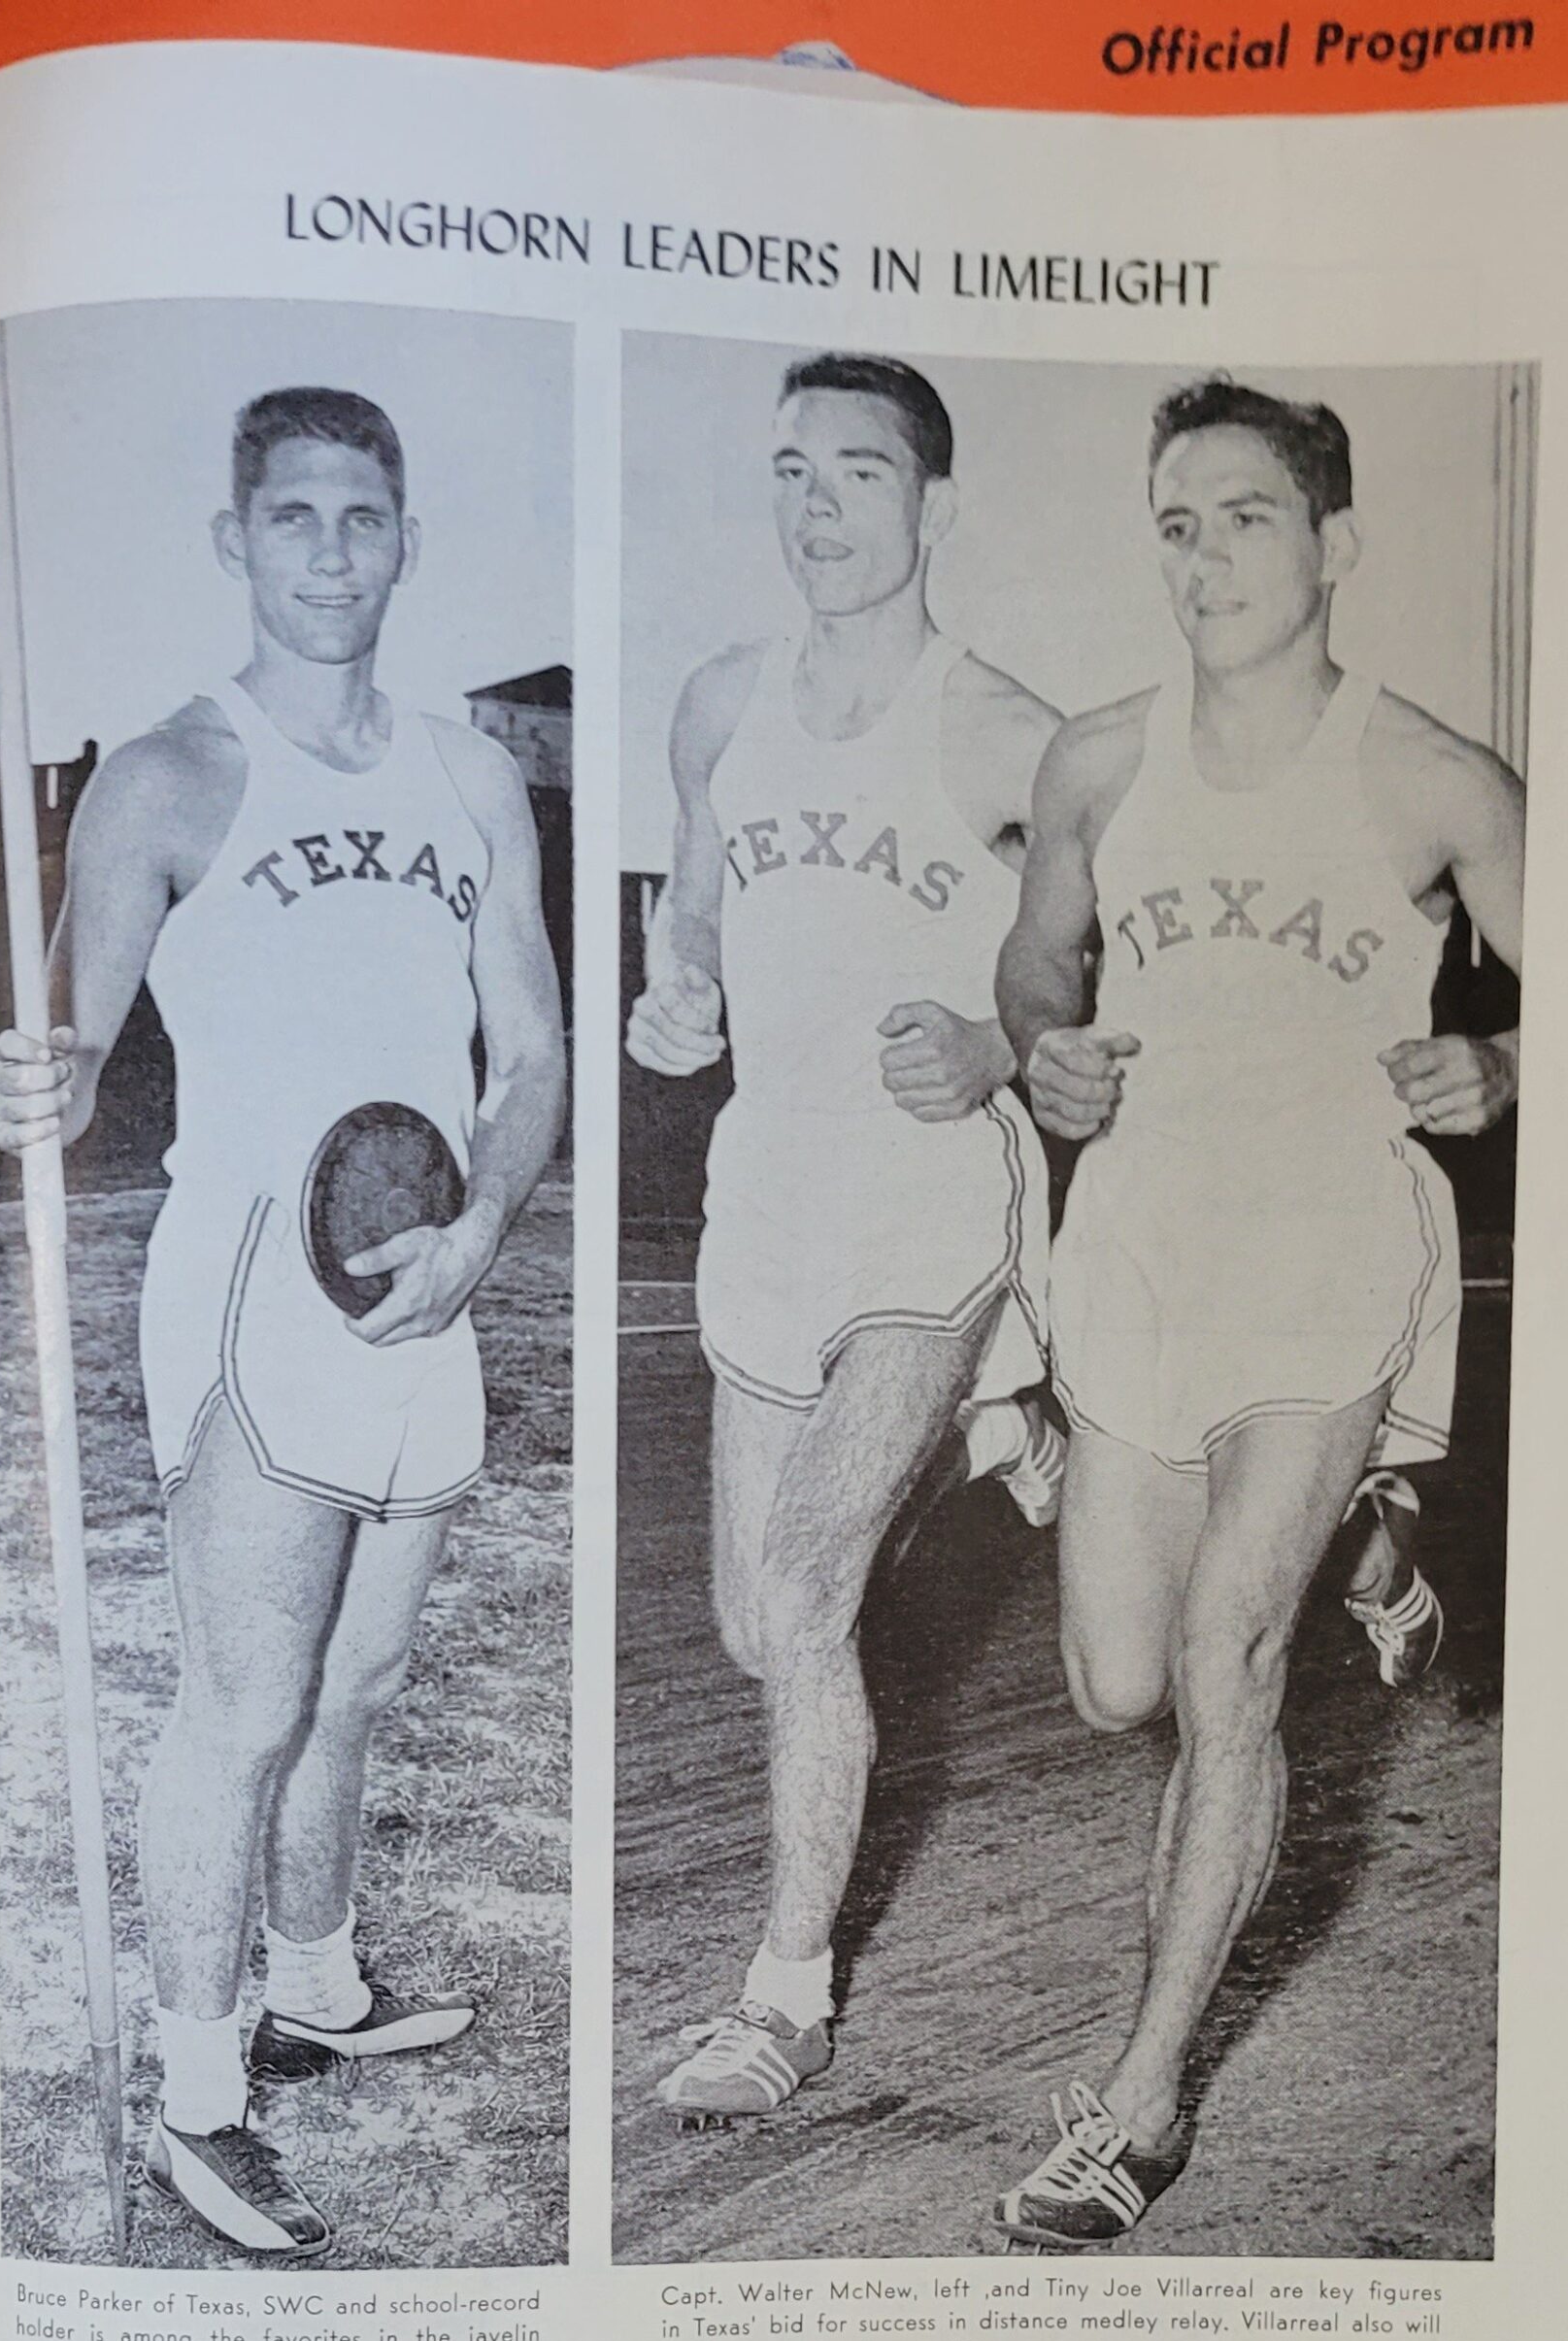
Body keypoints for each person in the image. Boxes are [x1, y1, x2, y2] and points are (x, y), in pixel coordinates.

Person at [0, 385, 567, 2257]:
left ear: (405, 540)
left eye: (364, 515)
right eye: (295, 515)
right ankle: (197, 2093)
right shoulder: (166, 776)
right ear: (237, 542)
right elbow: (71, 1065)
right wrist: (34, 1080)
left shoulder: (473, 774)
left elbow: (534, 1052)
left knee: (365, 1685)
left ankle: (313, 1984)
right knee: (240, 1711)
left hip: (424, 1271)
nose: (332, 547)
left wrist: (487, 1219)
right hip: (250, 1279)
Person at [993, 374, 1523, 2247]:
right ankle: (1377, 1550)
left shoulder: (1436, 776)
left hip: (1327, 1247)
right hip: (1141, 1246)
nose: (1206, 555)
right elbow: (1034, 980)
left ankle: (1138, 2108)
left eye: (1246, 517)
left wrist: (1506, 1064)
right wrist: (1045, 1062)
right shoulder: (1094, 762)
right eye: (1175, 520)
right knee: (1116, 1680)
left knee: (1226, 1660)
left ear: (1333, 546)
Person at [626, 352, 1062, 2124]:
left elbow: (1103, 976)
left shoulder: (1009, 729)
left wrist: (998, 1045)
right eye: (790, 471)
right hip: (773, 1199)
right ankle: (990, 1422)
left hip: (927, 1192)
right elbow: (695, 920)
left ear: (934, 506)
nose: (814, 506)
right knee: (752, 1625)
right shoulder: (721, 702)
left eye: (857, 474)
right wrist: (673, 998)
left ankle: (781, 1999)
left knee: (807, 1594)